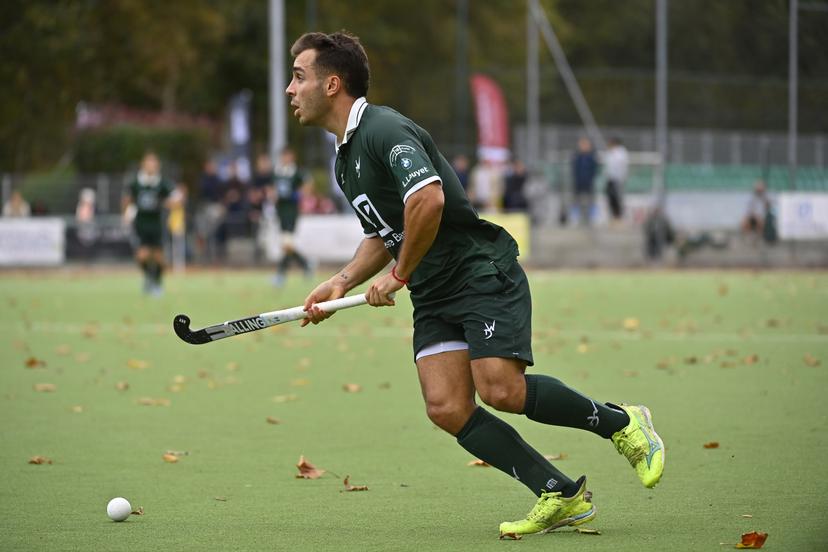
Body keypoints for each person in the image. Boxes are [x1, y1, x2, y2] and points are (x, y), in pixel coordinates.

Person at [286, 31, 664, 538]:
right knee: (446, 406)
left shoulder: (381, 128)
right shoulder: (345, 157)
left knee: (500, 390)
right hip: (433, 290)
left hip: (478, 271)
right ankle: (560, 494)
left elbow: (429, 200)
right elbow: (383, 233)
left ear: (332, 84)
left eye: (299, 76)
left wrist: (397, 275)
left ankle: (622, 423)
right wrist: (341, 281)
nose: (290, 89)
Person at [122, 151, 180, 295]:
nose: (151, 166)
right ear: (143, 164)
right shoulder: (136, 182)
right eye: (148, 162)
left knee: (159, 257)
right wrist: (126, 213)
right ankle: (149, 278)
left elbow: (177, 198)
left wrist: (170, 203)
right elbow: (127, 200)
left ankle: (157, 282)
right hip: (141, 223)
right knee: (142, 255)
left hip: (157, 224)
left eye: (153, 163)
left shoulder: (162, 183)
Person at [271, 147, 313, 286]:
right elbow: (272, 189)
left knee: (287, 243)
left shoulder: (296, 172)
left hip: (291, 211)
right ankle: (306, 264)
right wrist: (273, 195)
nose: (286, 159)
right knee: (286, 244)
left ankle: (281, 273)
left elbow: (307, 184)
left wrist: (299, 195)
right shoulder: (277, 172)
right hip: (280, 211)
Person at [572, 137, 597, 225]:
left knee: (589, 200)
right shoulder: (577, 157)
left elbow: (594, 170)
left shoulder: (591, 157)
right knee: (577, 200)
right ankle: (577, 219)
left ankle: (590, 219)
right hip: (578, 182)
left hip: (588, 182)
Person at [603, 137, 629, 223]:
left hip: (618, 179)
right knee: (611, 199)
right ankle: (613, 217)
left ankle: (619, 217)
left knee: (617, 198)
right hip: (610, 178)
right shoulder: (610, 153)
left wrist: (621, 178)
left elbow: (621, 166)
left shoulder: (621, 153)